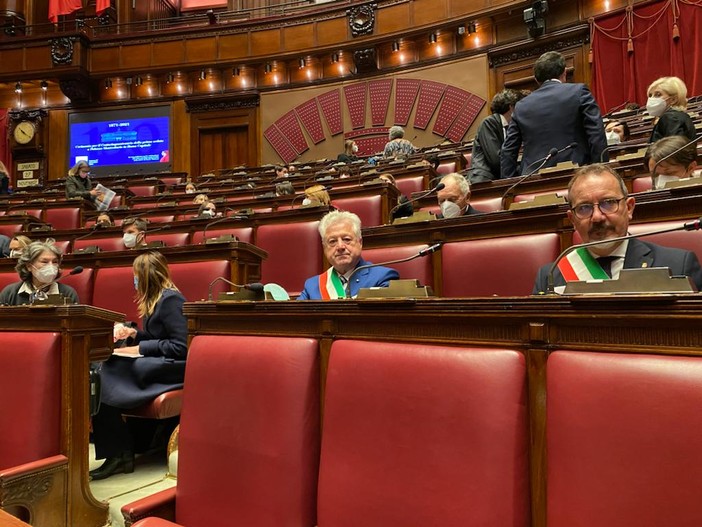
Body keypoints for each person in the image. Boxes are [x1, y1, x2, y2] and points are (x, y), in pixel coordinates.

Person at [90, 251, 187, 480]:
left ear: (145, 276)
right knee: (102, 368)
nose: (134, 281)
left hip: (175, 367)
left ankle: (120, 452)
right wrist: (134, 334)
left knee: (106, 371)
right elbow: (156, 336)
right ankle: (119, 452)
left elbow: (181, 346)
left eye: (136, 276)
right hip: (160, 361)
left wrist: (140, 349)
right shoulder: (156, 300)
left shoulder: (171, 299)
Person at [533, 164, 702, 294]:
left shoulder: (678, 265)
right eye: (584, 208)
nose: (597, 217)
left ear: (629, 208)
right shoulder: (550, 276)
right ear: (572, 220)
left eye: (608, 203)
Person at [500, 51, 607, 179]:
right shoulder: (579, 92)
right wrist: (599, 172)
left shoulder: (521, 106)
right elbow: (596, 133)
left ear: (536, 79)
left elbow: (508, 150)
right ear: (564, 72)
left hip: (533, 179)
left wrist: (511, 184)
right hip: (576, 173)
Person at [298, 211, 399, 299]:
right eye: (332, 241)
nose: (340, 246)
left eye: (346, 239)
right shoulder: (312, 286)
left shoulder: (382, 278)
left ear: (360, 243)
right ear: (324, 247)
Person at [469, 89, 526, 183]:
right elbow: (495, 160)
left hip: (498, 177)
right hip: (484, 180)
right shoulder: (489, 123)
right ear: (511, 107)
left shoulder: (509, 127)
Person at [0, 239, 79, 305]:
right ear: (29, 266)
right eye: (44, 262)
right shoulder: (10, 292)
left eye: (55, 262)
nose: (51, 266)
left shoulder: (68, 293)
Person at [647, 76, 696, 142]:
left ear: (673, 100)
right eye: (650, 95)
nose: (651, 99)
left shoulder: (670, 118)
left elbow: (671, 149)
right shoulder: (678, 116)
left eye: (658, 95)